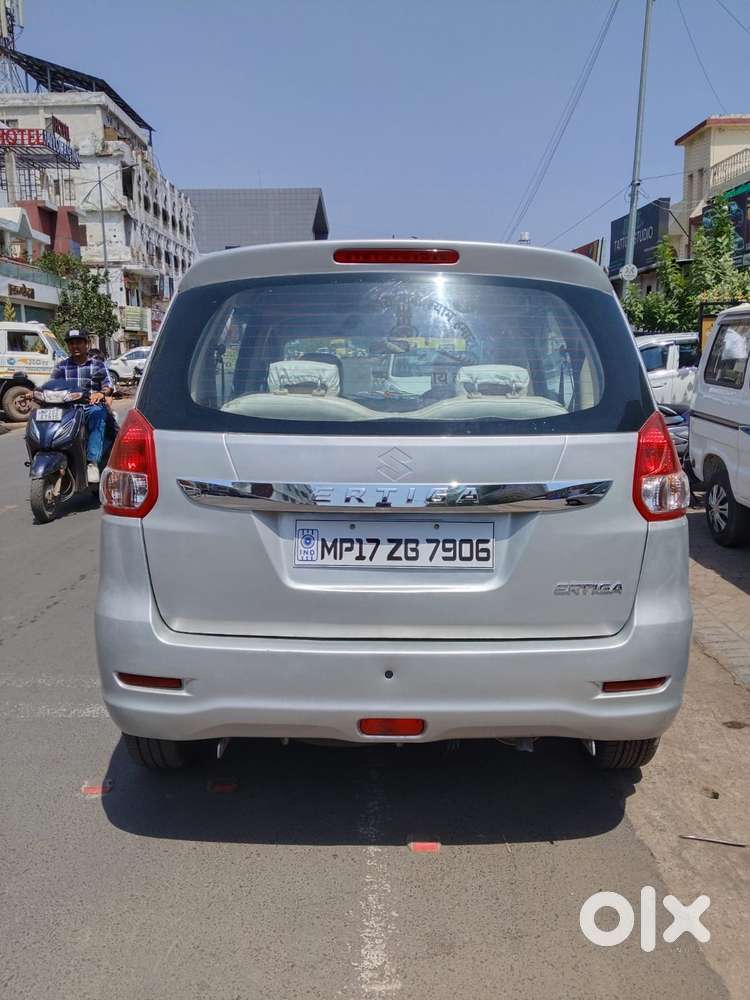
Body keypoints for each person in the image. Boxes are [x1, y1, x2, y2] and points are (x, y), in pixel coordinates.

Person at [51, 329, 114, 484]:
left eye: (79, 342)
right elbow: (51, 386)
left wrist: (100, 393)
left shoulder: (97, 365)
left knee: (97, 413)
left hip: (91, 407)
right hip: (68, 410)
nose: (75, 346)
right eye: (71, 343)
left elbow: (108, 386)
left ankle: (92, 463)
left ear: (86, 344)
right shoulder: (61, 367)